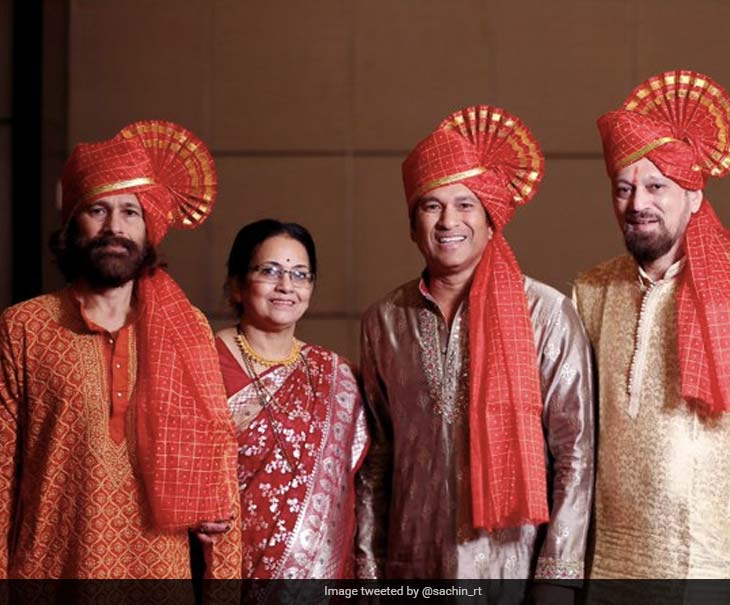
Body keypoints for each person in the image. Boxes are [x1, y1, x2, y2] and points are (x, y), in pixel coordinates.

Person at [573, 70, 730, 587]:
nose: (638, 204)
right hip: (610, 568)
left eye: (657, 186)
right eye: (624, 188)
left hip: (721, 568)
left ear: (695, 196)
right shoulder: (591, 292)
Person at [356, 105, 594, 599]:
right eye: (431, 205)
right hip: (412, 568)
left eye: (465, 204)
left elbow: (575, 453)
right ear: (412, 224)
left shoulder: (546, 314)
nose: (449, 221)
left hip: (514, 572)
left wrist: (558, 579)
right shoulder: (385, 321)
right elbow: (378, 457)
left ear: (491, 218)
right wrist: (369, 570)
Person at [0, 120, 240, 578]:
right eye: (98, 210)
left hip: (159, 573)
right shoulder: (24, 328)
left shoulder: (186, 329)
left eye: (131, 211)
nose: (115, 227)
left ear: (150, 228)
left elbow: (220, 476)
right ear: (72, 224)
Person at [216, 219, 368, 579]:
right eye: (269, 271)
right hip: (228, 571)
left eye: (301, 275)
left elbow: (361, 487)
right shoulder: (203, 363)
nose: (286, 286)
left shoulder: (338, 375)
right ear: (237, 285)